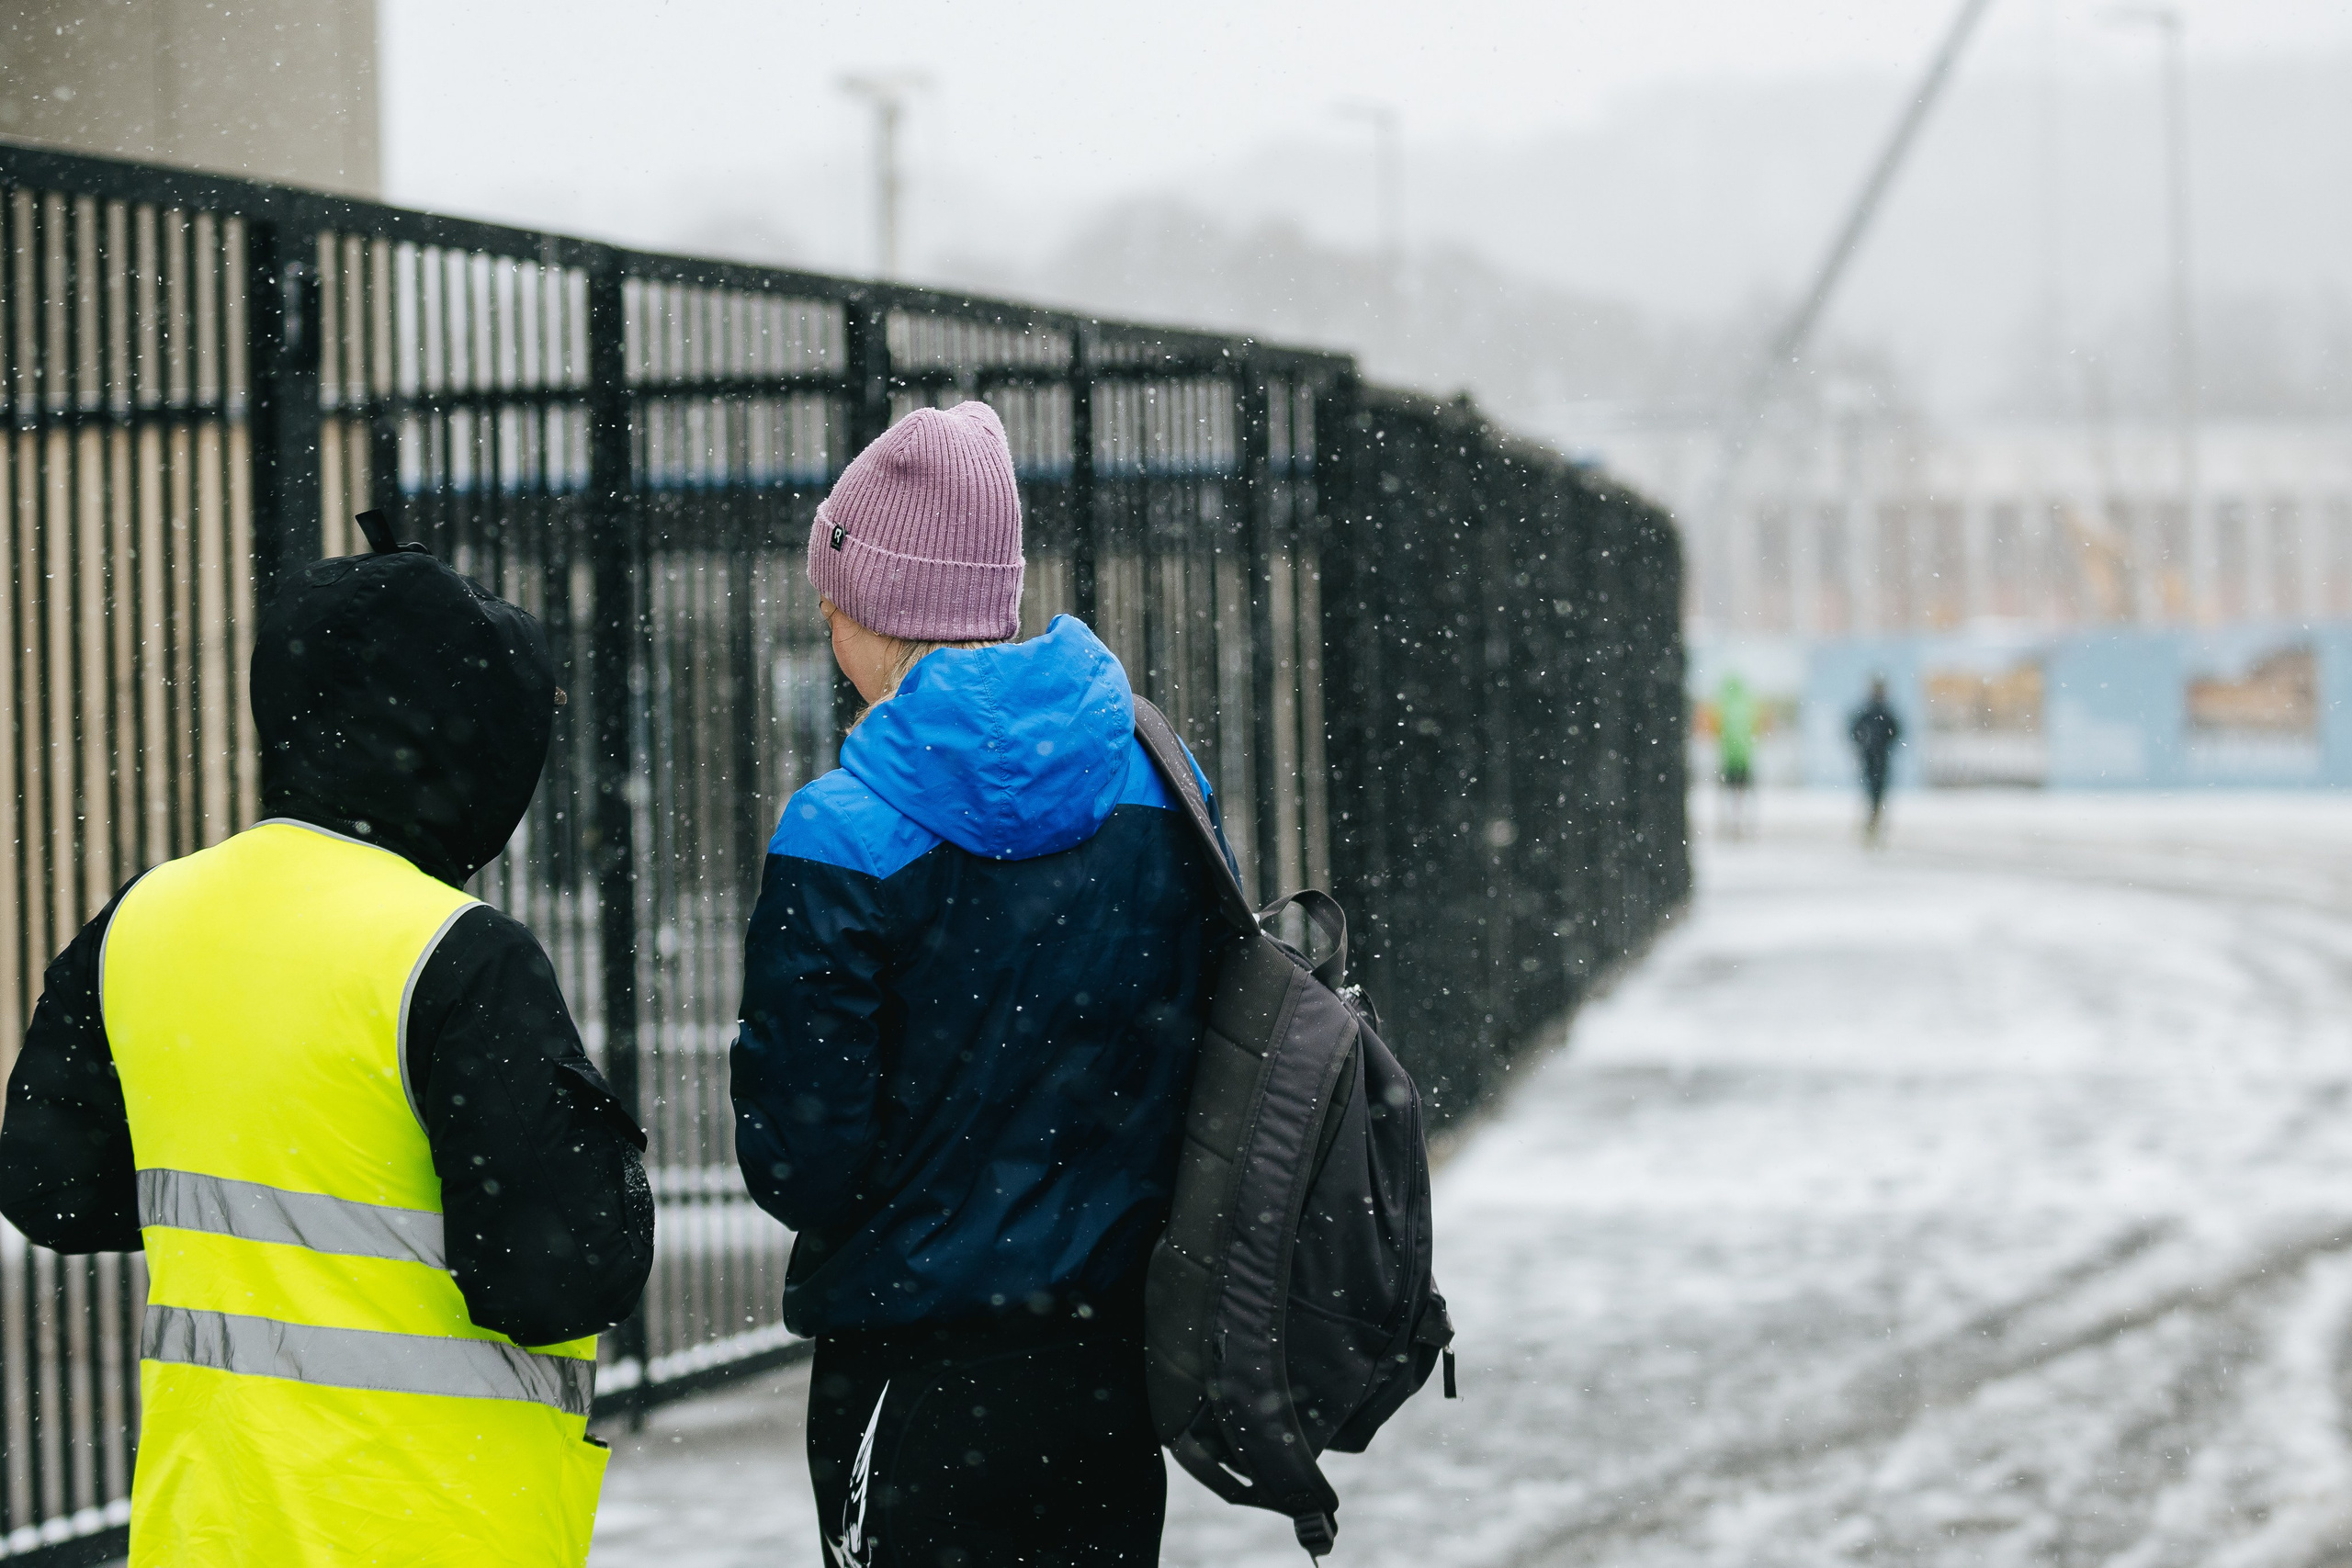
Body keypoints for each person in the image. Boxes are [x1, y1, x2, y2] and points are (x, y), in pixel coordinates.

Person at [0, 539, 653, 1565]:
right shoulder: (458, 955)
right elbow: (556, 1277)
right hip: (430, 1524)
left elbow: (50, 1187)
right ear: (463, 741)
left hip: (208, 1524)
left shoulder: (147, 917)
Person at [730, 401, 1230, 1568]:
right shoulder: (1165, 781)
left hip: (911, 1373)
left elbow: (802, 1159)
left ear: (874, 607)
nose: (823, 614)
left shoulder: (840, 831)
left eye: (833, 590)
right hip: (1111, 1368)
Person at [1849, 676, 1905, 847]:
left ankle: (1872, 824)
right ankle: (1872, 824)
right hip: (1874, 758)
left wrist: (1868, 743)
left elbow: (1895, 732)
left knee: (1875, 794)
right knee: (1873, 793)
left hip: (1876, 758)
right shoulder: (1874, 712)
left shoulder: (1877, 712)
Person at [1715, 672, 1757, 840]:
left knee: (1725, 794)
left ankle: (1727, 825)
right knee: (1744, 794)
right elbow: (1758, 729)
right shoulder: (1750, 706)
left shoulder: (1723, 706)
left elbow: (1715, 732)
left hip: (1728, 759)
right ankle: (1744, 825)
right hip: (1745, 759)